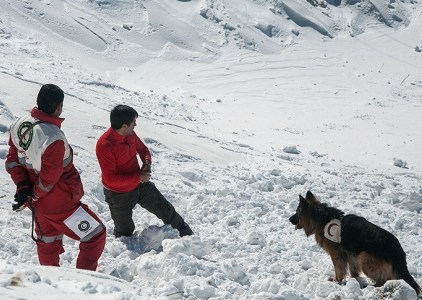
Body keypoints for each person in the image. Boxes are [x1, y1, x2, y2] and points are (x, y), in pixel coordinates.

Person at [5, 84, 106, 271]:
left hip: (38, 202)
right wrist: (32, 194)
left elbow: (12, 160)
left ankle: (50, 283)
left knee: (48, 240)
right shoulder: (53, 138)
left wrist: (23, 187)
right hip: (57, 201)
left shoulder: (19, 124)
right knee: (95, 234)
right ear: (58, 107)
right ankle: (87, 279)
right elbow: (49, 179)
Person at [96, 104, 193, 238]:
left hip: (140, 186)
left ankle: (188, 236)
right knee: (125, 232)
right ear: (124, 126)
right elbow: (110, 178)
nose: (135, 125)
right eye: (133, 123)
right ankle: (124, 252)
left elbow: (143, 150)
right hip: (118, 195)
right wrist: (138, 177)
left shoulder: (130, 134)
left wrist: (146, 163)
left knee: (166, 210)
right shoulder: (105, 145)